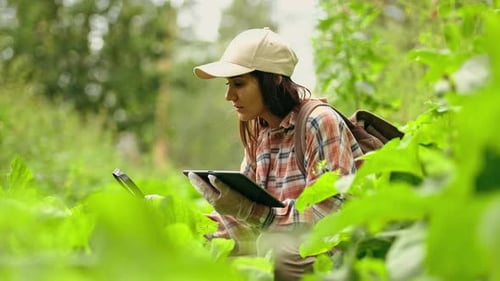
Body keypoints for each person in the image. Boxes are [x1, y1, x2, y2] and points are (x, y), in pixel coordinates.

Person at [187, 27, 363, 281]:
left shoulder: (319, 122)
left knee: (278, 254)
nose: (229, 96)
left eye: (239, 83)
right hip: (283, 250)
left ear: (275, 79)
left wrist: (255, 211)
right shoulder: (263, 135)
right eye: (228, 85)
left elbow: (331, 216)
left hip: (333, 254)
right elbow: (243, 226)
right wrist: (187, 227)